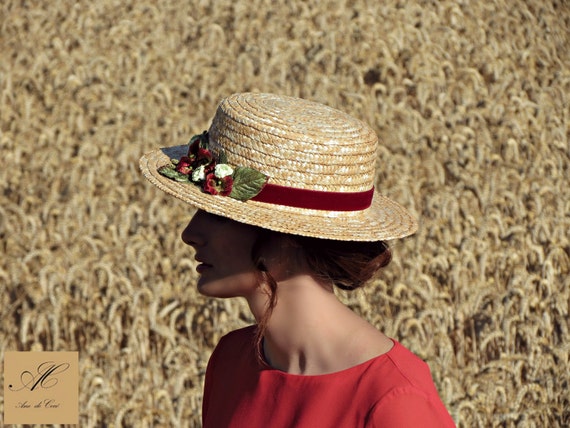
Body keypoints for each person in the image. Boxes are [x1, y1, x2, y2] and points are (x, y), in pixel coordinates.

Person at [140, 92, 456, 427]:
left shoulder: (394, 401)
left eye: (217, 215)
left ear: (287, 238)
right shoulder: (230, 362)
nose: (189, 234)